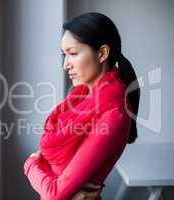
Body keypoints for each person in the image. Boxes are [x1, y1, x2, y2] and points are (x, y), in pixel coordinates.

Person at [23, 12, 140, 200]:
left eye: (73, 54)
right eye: (64, 55)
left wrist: (29, 165)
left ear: (102, 53)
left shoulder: (114, 114)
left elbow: (54, 194)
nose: (65, 64)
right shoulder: (81, 99)